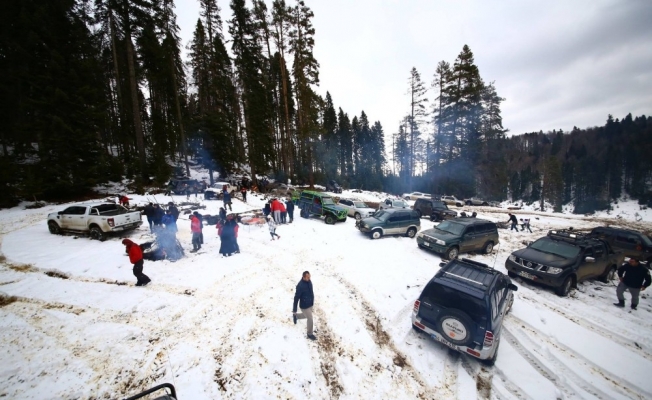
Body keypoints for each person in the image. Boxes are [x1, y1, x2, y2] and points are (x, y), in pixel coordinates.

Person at [293, 271, 316, 340]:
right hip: (304, 306)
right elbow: (296, 298)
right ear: (303, 277)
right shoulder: (300, 286)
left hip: (310, 303)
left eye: (310, 277)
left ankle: (296, 316)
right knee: (310, 319)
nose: (309, 278)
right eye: (307, 277)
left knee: (306, 315)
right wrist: (294, 310)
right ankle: (309, 334)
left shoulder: (309, 281)